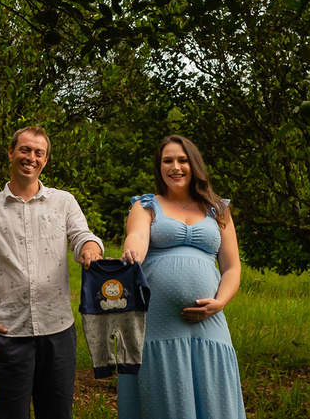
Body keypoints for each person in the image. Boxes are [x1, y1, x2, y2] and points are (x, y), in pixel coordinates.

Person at [0, 125, 104, 419]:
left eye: (39, 152)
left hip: (58, 331)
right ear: (10, 153)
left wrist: (90, 249)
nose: (31, 157)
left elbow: (82, 236)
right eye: (25, 149)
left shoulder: (64, 201)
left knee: (58, 413)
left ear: (45, 160)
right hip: (8, 332)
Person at [118, 135, 246, 419]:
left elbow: (232, 268)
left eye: (182, 160)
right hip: (157, 325)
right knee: (165, 401)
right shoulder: (147, 205)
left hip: (209, 325)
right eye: (167, 161)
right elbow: (137, 236)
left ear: (193, 165)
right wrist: (131, 253)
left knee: (214, 400)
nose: (175, 167)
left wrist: (219, 302)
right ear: (159, 167)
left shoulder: (218, 209)